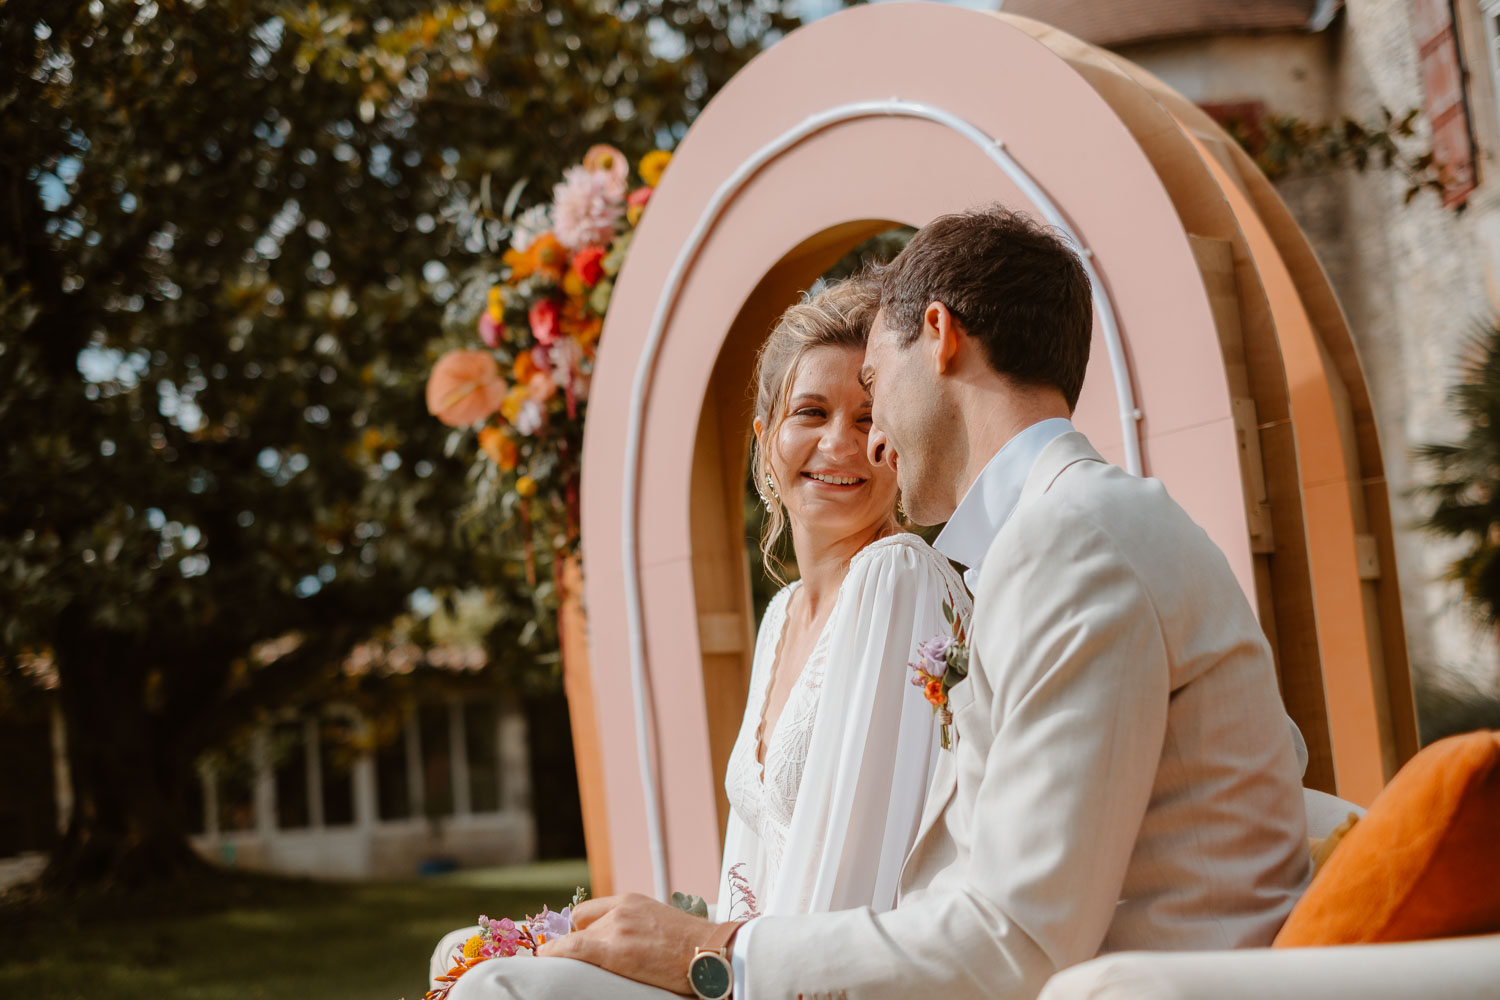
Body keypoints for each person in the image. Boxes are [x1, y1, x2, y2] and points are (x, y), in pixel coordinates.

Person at [451, 207, 1310, 1000]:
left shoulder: (1075, 539)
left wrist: (710, 953)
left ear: (936, 338)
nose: (872, 439)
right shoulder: (1057, 537)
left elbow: (1016, 936)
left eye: (873, 381)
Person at [432, 277, 970, 984]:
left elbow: (856, 880)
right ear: (766, 438)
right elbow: (746, 876)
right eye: (811, 411)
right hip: (736, 964)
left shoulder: (896, 577)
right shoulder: (780, 619)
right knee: (461, 954)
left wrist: (695, 962)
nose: (840, 442)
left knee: (503, 987)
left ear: (894, 443)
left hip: (807, 980)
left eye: (869, 418)